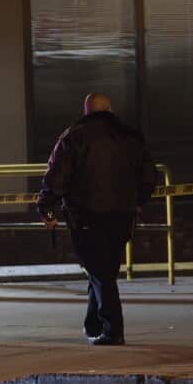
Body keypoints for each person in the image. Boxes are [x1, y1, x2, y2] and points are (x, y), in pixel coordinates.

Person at [37, 93, 158, 346]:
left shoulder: (74, 137)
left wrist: (47, 209)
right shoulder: (131, 136)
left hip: (86, 215)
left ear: (86, 111)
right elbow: (149, 177)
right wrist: (136, 202)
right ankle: (94, 323)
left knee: (100, 271)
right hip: (123, 216)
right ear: (110, 110)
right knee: (103, 269)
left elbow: (56, 177)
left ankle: (113, 330)